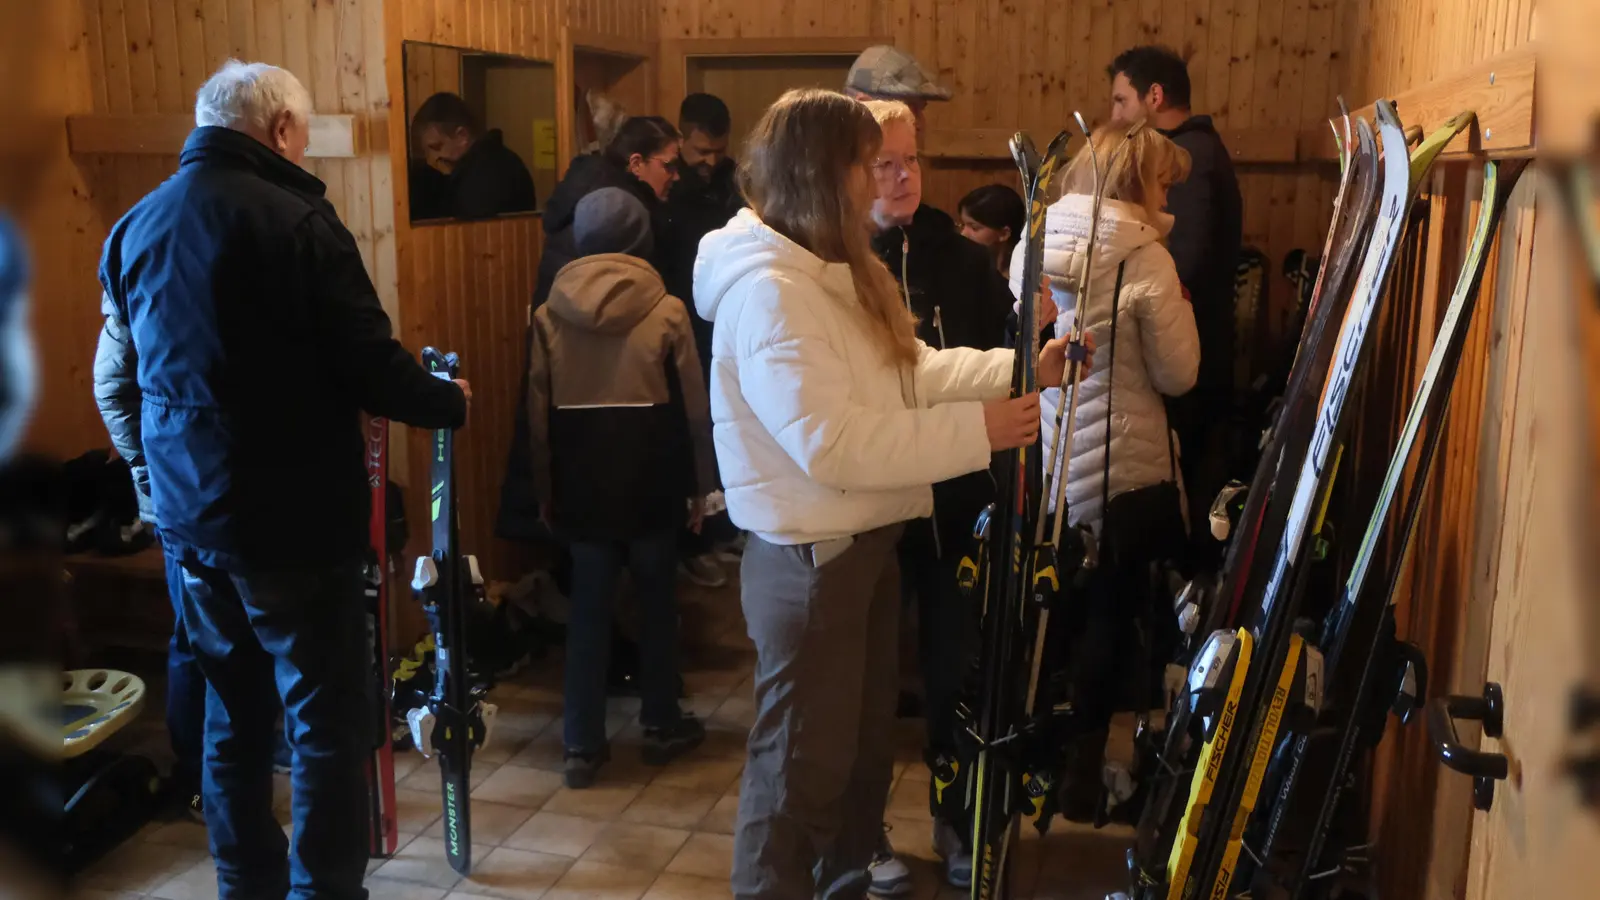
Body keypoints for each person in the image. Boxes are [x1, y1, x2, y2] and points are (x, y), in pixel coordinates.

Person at [93, 60, 470, 900]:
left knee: (232, 716)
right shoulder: (299, 222)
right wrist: (447, 402)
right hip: (295, 524)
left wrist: (153, 483)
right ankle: (324, 892)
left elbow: (115, 379)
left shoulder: (134, 227)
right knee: (325, 720)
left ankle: (244, 885)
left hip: (192, 524)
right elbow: (369, 363)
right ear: (282, 132)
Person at [693, 87, 1071, 900]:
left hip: (862, 547)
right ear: (824, 172)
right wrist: (982, 433)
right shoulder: (772, 290)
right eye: (869, 164)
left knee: (857, 762)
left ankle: (839, 885)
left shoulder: (835, 265)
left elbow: (909, 371)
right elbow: (832, 445)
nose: (883, 181)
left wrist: (1016, 369)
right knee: (797, 771)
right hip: (811, 560)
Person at [1013, 122, 1199, 816]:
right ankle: (1083, 776)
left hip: (1053, 455)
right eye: (1162, 180)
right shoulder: (1148, 261)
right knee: (1110, 620)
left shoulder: (1033, 245)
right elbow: (1179, 376)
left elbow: (1025, 339)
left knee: (1051, 611)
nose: (1167, 192)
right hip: (1125, 470)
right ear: (1135, 182)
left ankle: (1038, 758)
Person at [859, 98, 1013, 893]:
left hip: (959, 495)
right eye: (884, 163)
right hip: (875, 498)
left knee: (955, 664)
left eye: (911, 160)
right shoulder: (839, 260)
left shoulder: (963, 260)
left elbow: (1001, 354)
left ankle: (957, 817)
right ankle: (867, 828)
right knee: (872, 674)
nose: (902, 176)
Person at [525, 187, 715, 788]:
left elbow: (537, 415)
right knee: (658, 605)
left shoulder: (549, 313)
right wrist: (702, 488)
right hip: (652, 475)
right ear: (641, 238)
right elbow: (694, 411)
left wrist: (544, 488)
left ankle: (581, 744)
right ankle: (660, 724)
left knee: (588, 610)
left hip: (582, 478)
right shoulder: (668, 309)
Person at [498, 115, 682, 544]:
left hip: (573, 380)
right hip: (611, 376)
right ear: (636, 163)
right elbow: (614, 308)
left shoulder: (589, 192)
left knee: (581, 511)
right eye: (669, 164)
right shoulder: (620, 208)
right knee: (620, 516)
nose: (676, 176)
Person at [1107, 45, 1243, 561]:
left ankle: (1182, 613)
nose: (1115, 114)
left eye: (1122, 100)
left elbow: (1178, 265)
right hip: (1187, 351)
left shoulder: (1189, 161)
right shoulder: (1197, 151)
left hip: (1190, 359)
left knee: (1189, 516)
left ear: (1154, 97)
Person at [660, 92, 748, 588]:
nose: (709, 161)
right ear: (681, 139)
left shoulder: (736, 182)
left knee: (727, 424)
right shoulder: (672, 190)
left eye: (717, 151)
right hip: (680, 320)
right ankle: (698, 535)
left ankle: (723, 526)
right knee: (691, 429)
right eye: (699, 152)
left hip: (727, 319)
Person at [411, 91, 538, 219]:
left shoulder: (486, 177)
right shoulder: (491, 164)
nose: (433, 158)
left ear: (462, 136)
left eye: (437, 147)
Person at [844, 45, 951, 139]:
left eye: (920, 109)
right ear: (864, 108)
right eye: (906, 110)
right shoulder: (832, 159)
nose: (920, 124)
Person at [957, 183, 1026, 276]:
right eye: (962, 225)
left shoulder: (1020, 279)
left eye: (974, 228)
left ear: (1004, 234)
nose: (963, 234)